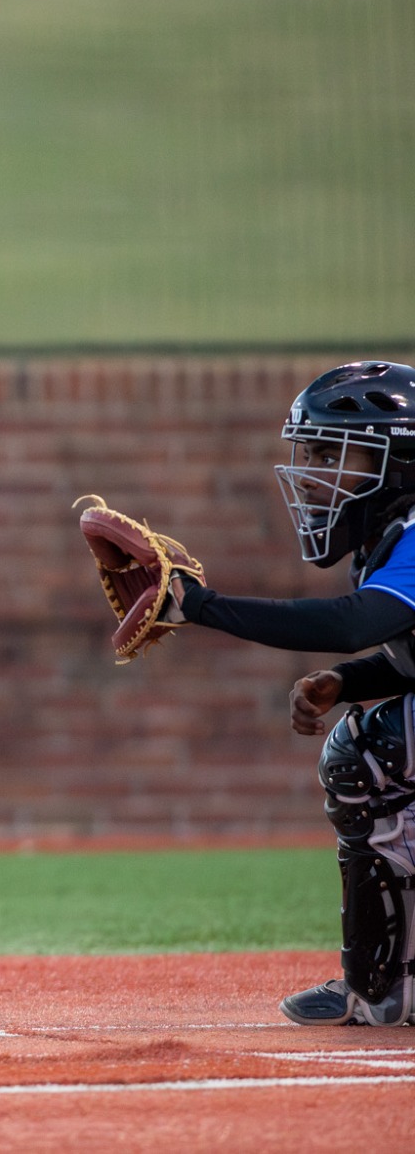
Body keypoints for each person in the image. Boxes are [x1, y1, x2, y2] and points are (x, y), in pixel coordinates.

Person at [163, 360, 415, 1026]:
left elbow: (350, 622)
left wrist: (200, 606)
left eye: (335, 452)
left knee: (372, 751)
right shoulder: (394, 537)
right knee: (378, 740)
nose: (314, 473)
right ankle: (385, 986)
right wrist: (350, 681)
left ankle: (384, 988)